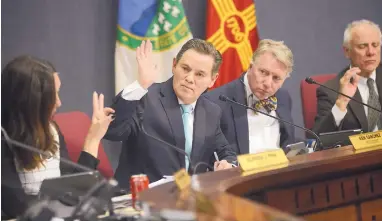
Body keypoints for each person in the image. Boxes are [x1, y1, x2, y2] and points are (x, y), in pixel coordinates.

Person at [104, 39, 237, 189]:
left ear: (213, 80)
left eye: (199, 74)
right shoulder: (146, 97)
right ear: (174, 65)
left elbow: (225, 151)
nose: (189, 78)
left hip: (186, 203)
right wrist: (139, 86)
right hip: (140, 200)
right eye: (185, 68)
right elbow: (113, 131)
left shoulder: (211, 111)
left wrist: (229, 164)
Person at [1, 55, 114, 218]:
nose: (59, 103)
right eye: (52, 96)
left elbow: (71, 191)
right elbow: (18, 206)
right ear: (31, 101)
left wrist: (93, 139)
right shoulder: (3, 138)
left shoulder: (51, 129)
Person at [205, 39, 295, 155]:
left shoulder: (283, 98)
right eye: (263, 72)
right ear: (250, 66)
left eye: (276, 78)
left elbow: (288, 144)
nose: (268, 83)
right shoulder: (216, 102)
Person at [313, 20, 382, 134]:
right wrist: (342, 102)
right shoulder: (330, 90)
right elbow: (319, 138)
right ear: (347, 51)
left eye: (375, 45)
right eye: (362, 46)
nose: (371, 52)